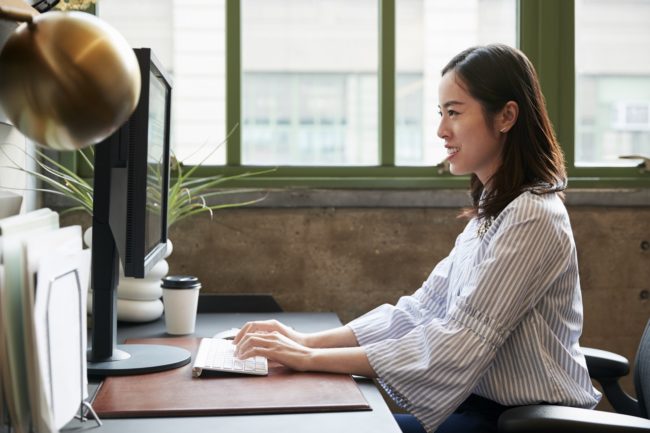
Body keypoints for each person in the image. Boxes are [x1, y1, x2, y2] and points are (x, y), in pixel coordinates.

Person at [233, 44, 601, 433]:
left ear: (507, 116)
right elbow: (420, 310)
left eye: (455, 113)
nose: (442, 130)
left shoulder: (531, 216)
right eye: (441, 114)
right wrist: (306, 342)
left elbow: (456, 342)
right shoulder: (498, 209)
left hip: (524, 423)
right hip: (487, 412)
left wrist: (307, 359)